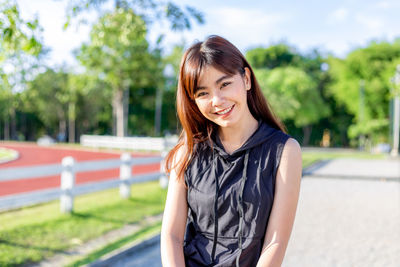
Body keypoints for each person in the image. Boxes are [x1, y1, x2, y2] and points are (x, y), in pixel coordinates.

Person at [161, 35, 302, 267]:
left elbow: (275, 242)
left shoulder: (285, 151)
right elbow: (171, 236)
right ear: (193, 100)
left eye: (224, 84)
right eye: (203, 93)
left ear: (246, 79)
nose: (217, 100)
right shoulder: (186, 153)